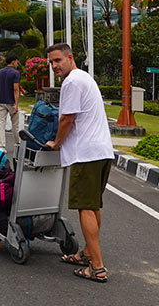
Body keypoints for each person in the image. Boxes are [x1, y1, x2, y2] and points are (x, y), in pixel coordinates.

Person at [44, 42, 114, 283]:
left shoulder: (72, 82)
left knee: (85, 206)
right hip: (102, 150)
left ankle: (97, 266)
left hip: (86, 154)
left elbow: (67, 118)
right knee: (93, 206)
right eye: (51, 62)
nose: (54, 66)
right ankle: (86, 253)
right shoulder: (84, 77)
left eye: (57, 61)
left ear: (70, 58)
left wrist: (56, 143)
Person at [0, 54, 22, 152]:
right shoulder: (15, 73)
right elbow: (16, 89)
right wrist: (17, 105)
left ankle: (2, 146)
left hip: (2, 101)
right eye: (17, 62)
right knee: (15, 125)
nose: (17, 64)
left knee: (1, 123)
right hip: (11, 102)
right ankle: (18, 143)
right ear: (13, 62)